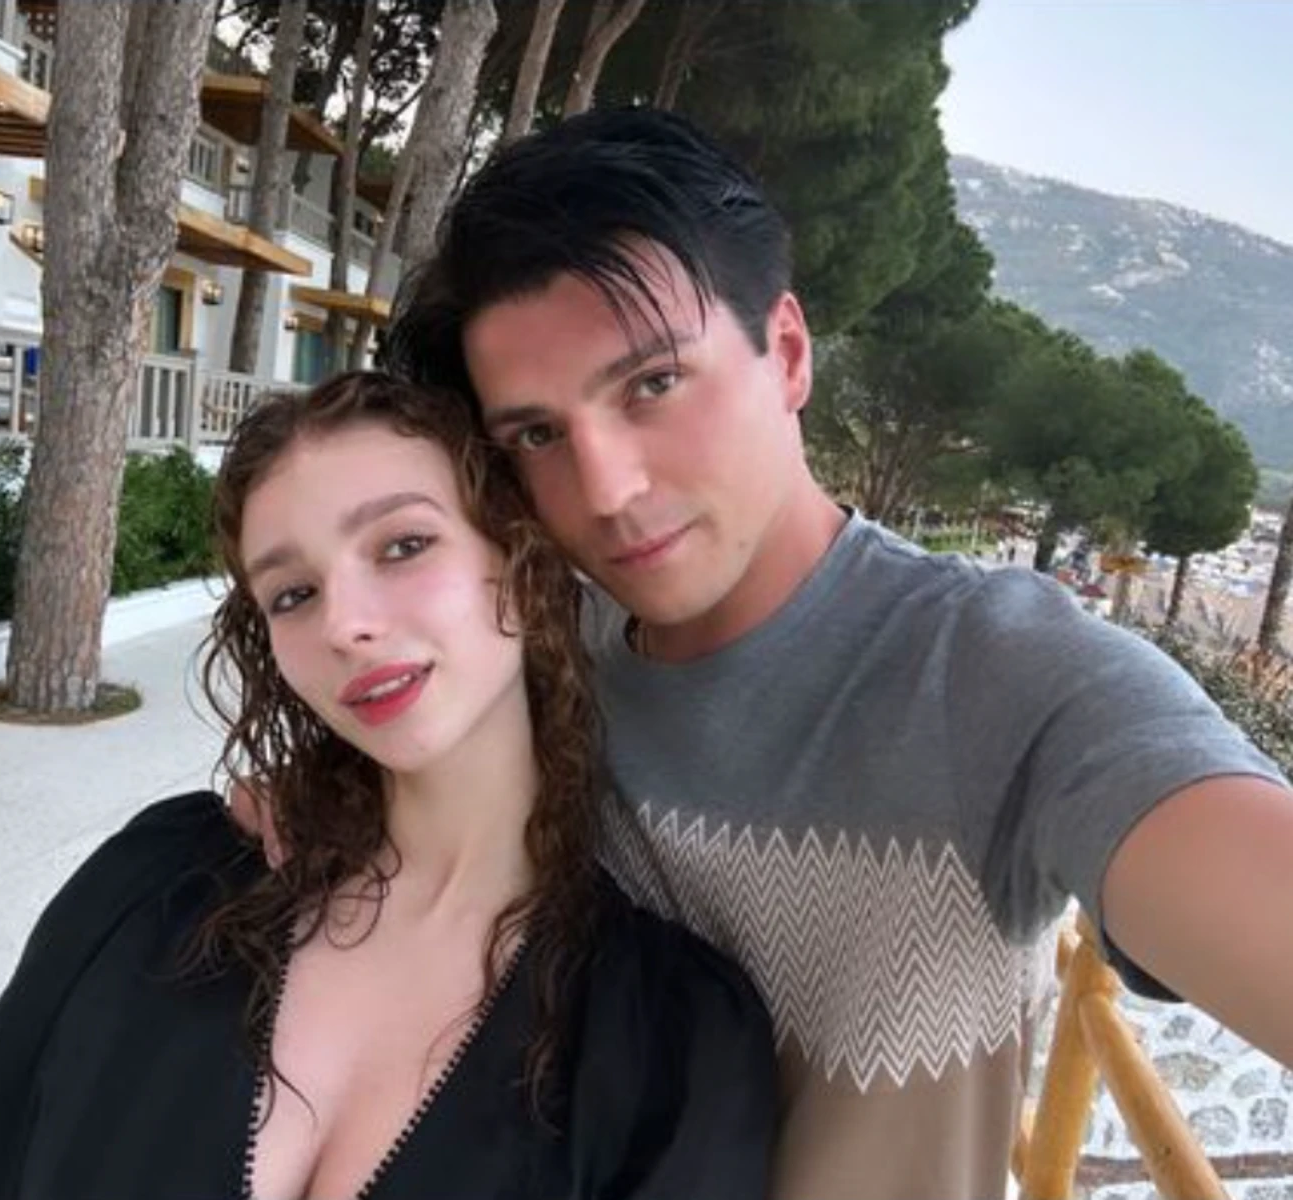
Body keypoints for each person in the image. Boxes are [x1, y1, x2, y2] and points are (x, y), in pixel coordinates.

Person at [368, 108, 1293, 1199]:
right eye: (537, 434)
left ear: (790, 355)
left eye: (653, 384)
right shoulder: (538, 656)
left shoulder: (1000, 677)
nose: (607, 489)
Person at [0, 373, 777, 1200]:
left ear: (520, 563)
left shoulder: (675, 1043)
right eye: (292, 594)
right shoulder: (153, 889)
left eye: (403, 545)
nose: (345, 625)